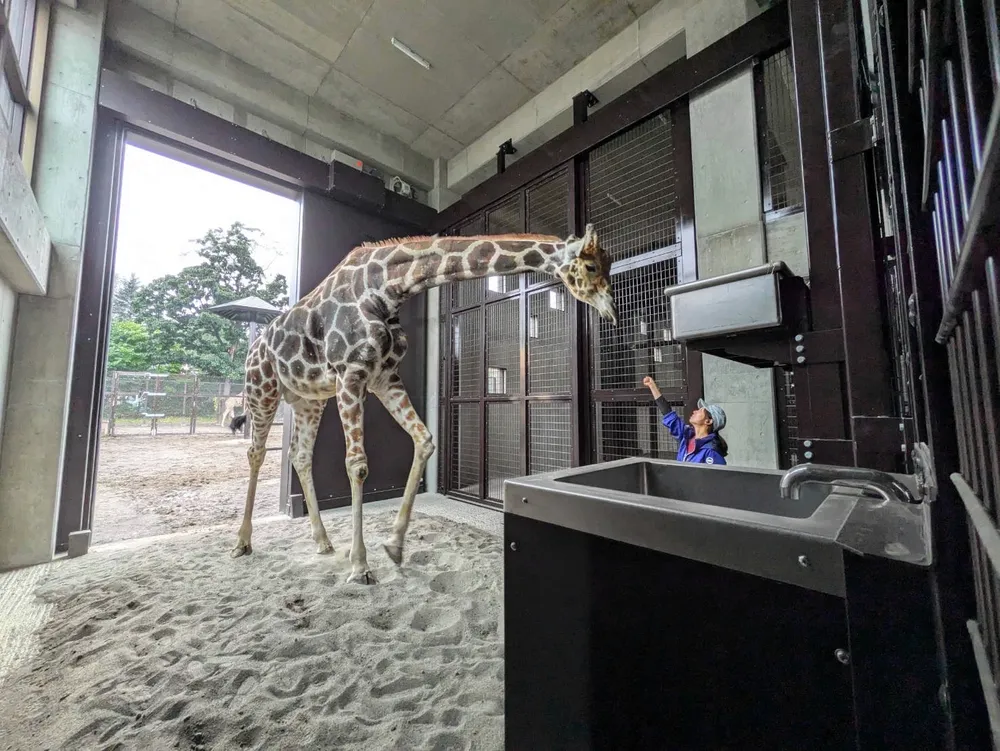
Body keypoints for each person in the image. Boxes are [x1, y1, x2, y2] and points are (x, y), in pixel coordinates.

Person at [642, 376, 728, 465]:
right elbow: (668, 413)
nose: (695, 411)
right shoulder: (686, 436)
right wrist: (652, 386)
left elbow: (720, 477)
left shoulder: (711, 452)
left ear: (708, 421)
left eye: (700, 410)